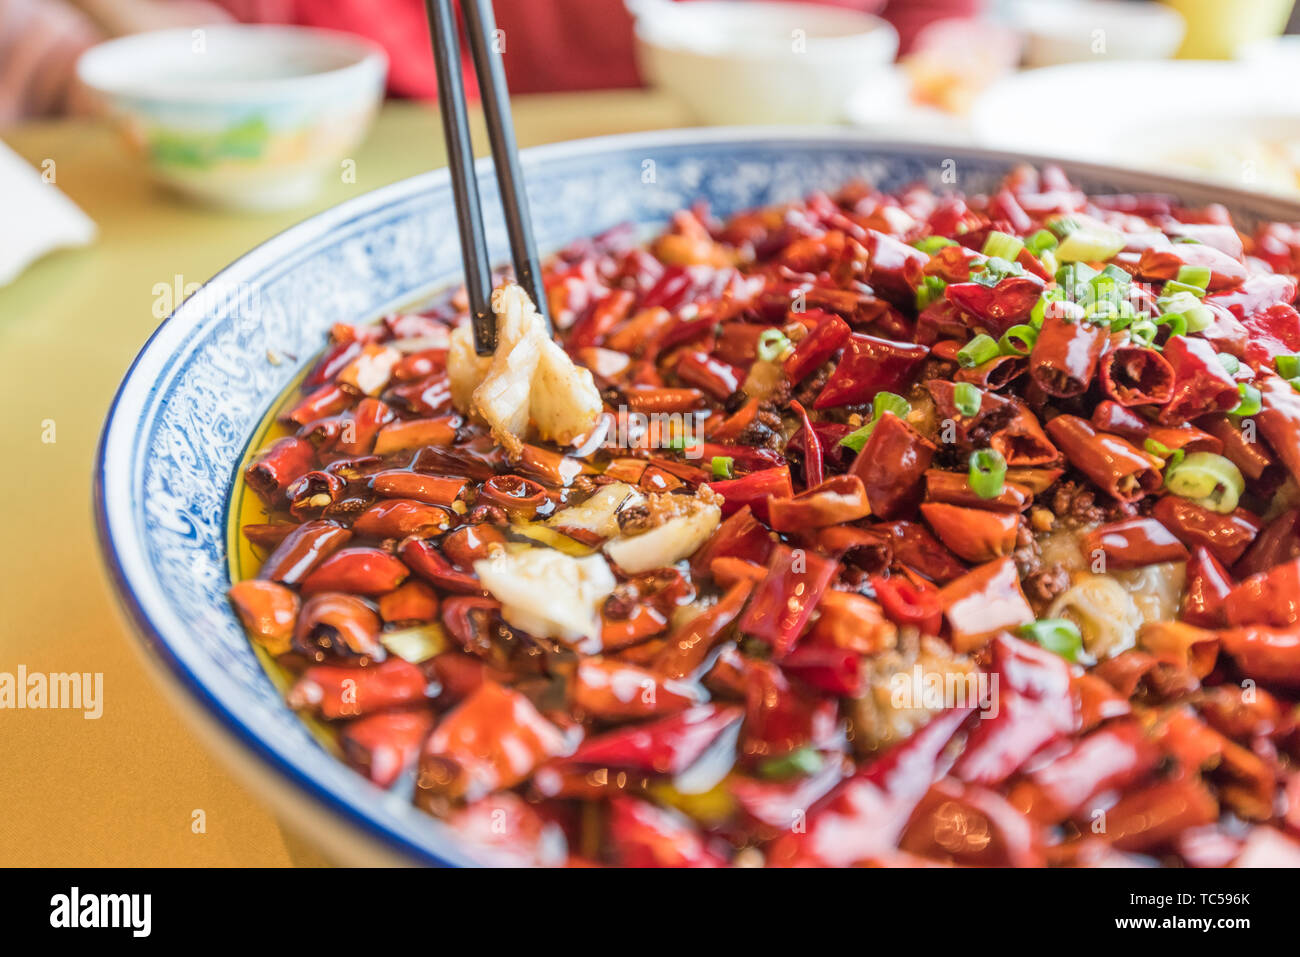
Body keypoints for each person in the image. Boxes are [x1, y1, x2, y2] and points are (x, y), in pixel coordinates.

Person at [0, 0, 985, 125]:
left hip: (828, 147)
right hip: (389, 135)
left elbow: (956, 23)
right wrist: (60, 58)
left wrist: (947, 63)